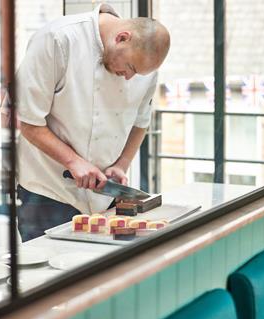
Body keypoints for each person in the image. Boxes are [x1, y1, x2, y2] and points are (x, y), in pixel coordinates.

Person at [14, 3, 170, 241]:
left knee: (96, 272)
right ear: (122, 38)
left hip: (104, 197)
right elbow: (28, 121)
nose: (129, 77)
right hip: (48, 191)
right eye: (129, 67)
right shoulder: (57, 40)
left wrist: (122, 163)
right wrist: (73, 161)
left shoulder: (143, 68)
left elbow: (140, 122)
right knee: (48, 275)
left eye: (137, 73)